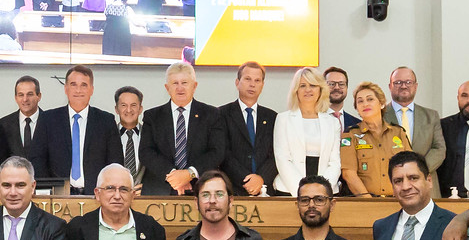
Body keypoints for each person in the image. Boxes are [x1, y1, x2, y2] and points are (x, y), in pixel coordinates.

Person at [36, 63, 121, 195]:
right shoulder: (48, 119)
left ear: (91, 90)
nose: (78, 90)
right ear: (66, 89)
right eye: (73, 84)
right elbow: (38, 160)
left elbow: (115, 163)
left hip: (97, 196)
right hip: (58, 195)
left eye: (84, 85)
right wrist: (48, 190)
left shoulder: (106, 121)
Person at [141, 61, 223, 196]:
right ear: (167, 88)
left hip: (200, 188)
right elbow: (146, 152)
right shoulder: (152, 116)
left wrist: (189, 173)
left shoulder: (211, 114)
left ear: (194, 86)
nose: (180, 88)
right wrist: (175, 176)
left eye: (184, 83)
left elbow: (217, 152)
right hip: (160, 190)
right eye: (175, 83)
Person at [215, 61, 278, 198]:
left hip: (265, 190)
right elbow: (223, 153)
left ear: (262, 85)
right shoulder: (221, 114)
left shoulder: (272, 117)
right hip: (232, 189)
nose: (252, 84)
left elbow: (276, 154)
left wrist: (261, 179)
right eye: (248, 79)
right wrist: (247, 180)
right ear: (237, 82)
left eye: (257, 80)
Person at [273, 67, 340, 197]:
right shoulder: (283, 119)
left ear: (320, 89)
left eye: (313, 85)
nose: (308, 90)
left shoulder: (332, 122)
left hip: (325, 191)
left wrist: (322, 191)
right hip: (289, 189)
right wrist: (301, 193)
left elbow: (335, 162)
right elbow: (283, 159)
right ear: (296, 90)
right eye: (302, 85)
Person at [339, 81, 413, 198]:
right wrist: (369, 201)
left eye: (370, 99)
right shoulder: (350, 135)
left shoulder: (398, 132)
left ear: (381, 104)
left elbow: (410, 168)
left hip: (397, 200)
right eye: (360, 101)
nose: (365, 104)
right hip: (365, 202)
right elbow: (349, 174)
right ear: (357, 108)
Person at [385, 67, 444, 173]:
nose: (403, 86)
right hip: (389, 180)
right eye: (398, 82)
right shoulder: (380, 115)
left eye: (408, 82)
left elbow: (439, 149)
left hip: (425, 178)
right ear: (390, 86)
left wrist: (418, 170)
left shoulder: (431, 116)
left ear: (415, 86)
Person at [0, 75, 45, 159]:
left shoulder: (51, 123)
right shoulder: (3, 125)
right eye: (21, 95)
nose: (25, 99)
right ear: (16, 98)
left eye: (30, 94)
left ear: (39, 96)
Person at [114, 85, 148, 191]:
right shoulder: (107, 135)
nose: (129, 110)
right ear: (116, 109)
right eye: (123, 105)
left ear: (140, 109)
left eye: (133, 105)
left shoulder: (151, 135)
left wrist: (147, 189)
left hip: (144, 197)